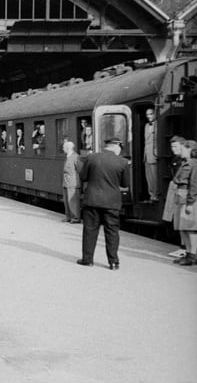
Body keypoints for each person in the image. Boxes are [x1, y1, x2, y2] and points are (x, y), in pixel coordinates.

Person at [76, 137, 130, 270]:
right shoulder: (122, 162)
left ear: (106, 146)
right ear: (117, 147)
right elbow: (125, 184)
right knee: (112, 232)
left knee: (90, 231)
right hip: (112, 202)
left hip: (92, 201)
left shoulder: (92, 157)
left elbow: (83, 176)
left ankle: (87, 260)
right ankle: (113, 262)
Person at [171, 139, 197, 265]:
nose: (180, 151)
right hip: (181, 196)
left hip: (188, 198)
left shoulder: (194, 164)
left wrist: (190, 203)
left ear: (190, 150)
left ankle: (192, 256)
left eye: (183, 149)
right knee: (183, 228)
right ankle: (188, 254)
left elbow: (194, 185)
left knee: (190, 228)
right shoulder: (185, 163)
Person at [61, 140, 82, 224]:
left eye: (63, 147)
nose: (63, 149)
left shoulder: (76, 157)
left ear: (68, 148)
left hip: (73, 182)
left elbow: (80, 170)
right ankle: (68, 217)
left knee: (73, 201)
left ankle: (76, 218)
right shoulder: (68, 156)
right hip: (66, 182)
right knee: (66, 200)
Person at [143, 108, 159, 202]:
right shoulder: (146, 125)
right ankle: (151, 195)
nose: (149, 116)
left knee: (154, 176)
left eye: (151, 114)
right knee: (148, 176)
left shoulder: (158, 124)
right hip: (146, 154)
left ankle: (156, 195)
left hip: (154, 154)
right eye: (147, 114)